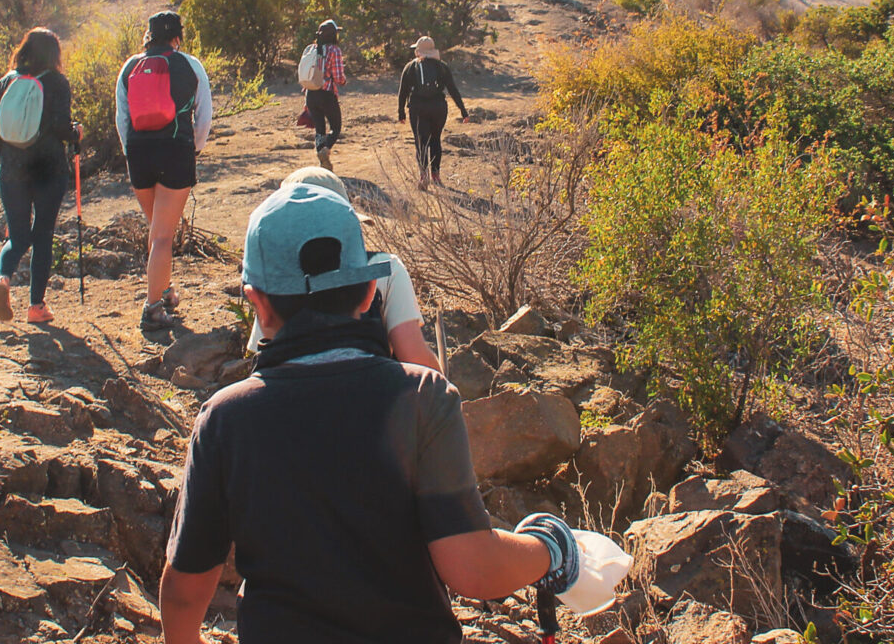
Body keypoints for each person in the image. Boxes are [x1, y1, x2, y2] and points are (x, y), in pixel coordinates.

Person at [160, 182, 580, 644]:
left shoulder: (224, 419)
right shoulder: (423, 397)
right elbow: (473, 570)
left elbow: (184, 592)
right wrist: (552, 548)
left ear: (257, 303)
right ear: (367, 294)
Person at [244, 166, 441, 372]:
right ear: (369, 290)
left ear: (258, 302)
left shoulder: (271, 281)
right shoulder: (386, 268)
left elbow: (262, 358)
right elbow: (413, 356)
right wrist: (440, 387)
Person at [116, 10, 213, 330]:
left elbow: (122, 119)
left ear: (149, 36)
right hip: (175, 151)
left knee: (157, 230)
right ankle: (152, 308)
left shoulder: (130, 67)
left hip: (139, 155)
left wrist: (131, 153)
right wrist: (192, 150)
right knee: (161, 236)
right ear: (177, 37)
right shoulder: (190, 64)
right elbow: (204, 119)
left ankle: (166, 290)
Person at [0, 27, 83, 325]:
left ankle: (3, 279)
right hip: (48, 169)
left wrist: (10, 161)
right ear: (54, 54)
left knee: (17, 236)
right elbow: (60, 127)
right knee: (42, 234)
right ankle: (36, 307)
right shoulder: (56, 82)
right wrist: (76, 133)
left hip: (12, 171)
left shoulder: (7, 81)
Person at [397, 35, 469, 190]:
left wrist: (401, 112)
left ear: (418, 51)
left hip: (418, 108)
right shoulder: (442, 66)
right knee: (435, 140)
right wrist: (463, 111)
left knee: (420, 142)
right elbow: (453, 90)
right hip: (439, 108)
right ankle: (435, 175)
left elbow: (402, 92)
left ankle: (424, 175)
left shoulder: (410, 67)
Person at [304, 18, 346, 171]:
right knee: (336, 127)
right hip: (326, 94)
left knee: (319, 129)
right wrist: (343, 81)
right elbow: (339, 77)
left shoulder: (312, 49)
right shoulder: (334, 51)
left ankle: (322, 160)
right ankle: (325, 150)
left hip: (310, 93)